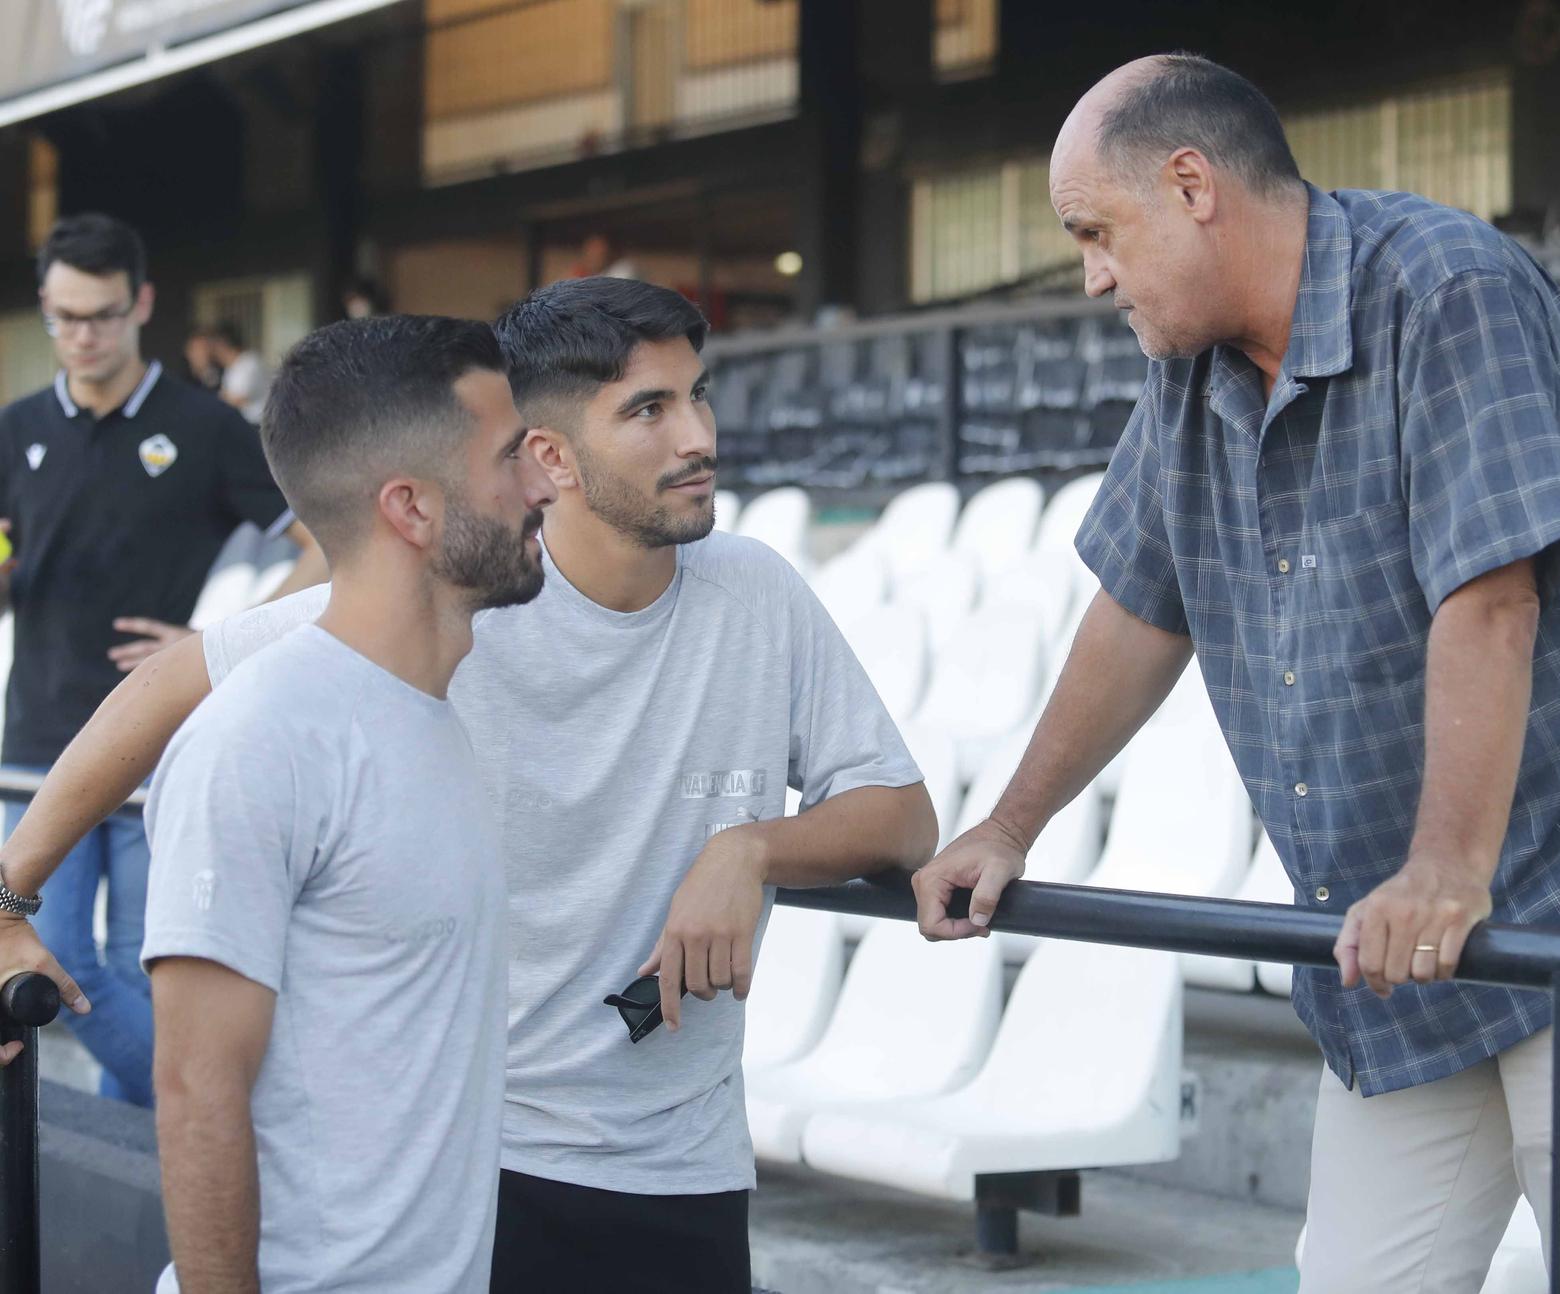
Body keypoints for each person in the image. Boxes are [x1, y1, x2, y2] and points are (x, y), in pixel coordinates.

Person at [913, 55, 1560, 1293]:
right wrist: (1009, 825)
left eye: (1096, 233)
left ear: (1190, 185)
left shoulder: (1446, 289)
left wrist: (1444, 867)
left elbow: (1492, 599)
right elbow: (1136, 611)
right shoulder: (1185, 366)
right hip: (1399, 940)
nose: (1091, 274)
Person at [0, 277, 936, 1290]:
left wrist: (750, 846)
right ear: (547, 456)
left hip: (681, 1158)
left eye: (697, 396)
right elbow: (175, 684)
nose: (696, 436)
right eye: (648, 410)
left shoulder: (755, 593)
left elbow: (901, 814)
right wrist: (13, 889)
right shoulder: (459, 592)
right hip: (487, 1151)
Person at [145, 314, 553, 1293]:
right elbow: (197, 1092)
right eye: (511, 457)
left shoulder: (432, 716)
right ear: (411, 508)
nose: (544, 484)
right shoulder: (262, 735)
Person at [0, 213, 325, 1108]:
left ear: (140, 303)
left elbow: (327, 543)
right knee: (55, 964)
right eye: (65, 317)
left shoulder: (202, 426)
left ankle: (158, 1180)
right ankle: (223, 1123)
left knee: (143, 976)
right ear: (45, 309)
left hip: (164, 748)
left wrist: (220, 643)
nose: (83, 336)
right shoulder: (16, 427)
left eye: (102, 314)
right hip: (39, 748)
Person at [208, 321, 273, 426]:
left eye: (215, 347)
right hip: (242, 424)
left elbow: (239, 398)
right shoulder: (230, 367)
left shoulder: (250, 361)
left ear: (223, 345)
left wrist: (222, 398)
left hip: (259, 424)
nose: (214, 353)